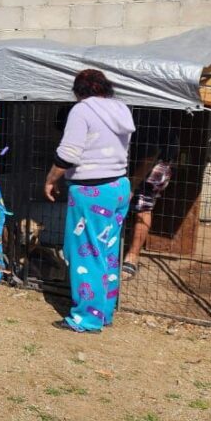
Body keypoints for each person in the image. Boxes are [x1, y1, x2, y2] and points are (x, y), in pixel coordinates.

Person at [44, 69, 135, 333]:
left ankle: (87, 318)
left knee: (86, 252)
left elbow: (69, 152)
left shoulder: (82, 111)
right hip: (118, 186)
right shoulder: (122, 109)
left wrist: (51, 179)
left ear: (78, 91)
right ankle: (103, 311)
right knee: (106, 251)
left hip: (91, 190)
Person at [123, 114, 180, 281]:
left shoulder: (146, 121)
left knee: (143, 207)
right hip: (139, 158)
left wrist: (132, 185)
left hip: (157, 163)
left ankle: (132, 257)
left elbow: (150, 156)